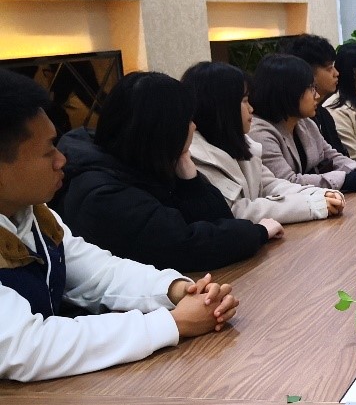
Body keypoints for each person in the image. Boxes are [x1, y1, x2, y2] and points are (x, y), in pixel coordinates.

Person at [0, 70, 239, 382]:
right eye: (47, 152)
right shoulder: (98, 192)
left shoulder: (33, 213)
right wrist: (172, 323)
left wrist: (176, 290)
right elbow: (25, 346)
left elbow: (98, 273)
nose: (61, 160)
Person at [55, 71, 281, 272]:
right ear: (164, 129)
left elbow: (220, 220)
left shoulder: (142, 162)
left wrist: (190, 177)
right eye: (187, 120)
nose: (194, 127)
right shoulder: (102, 192)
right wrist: (258, 232)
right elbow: (186, 246)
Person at [183, 61, 346, 224]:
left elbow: (270, 185)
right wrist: (311, 205)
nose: (251, 108)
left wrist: (317, 194)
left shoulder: (241, 141)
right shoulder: (196, 156)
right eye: (244, 100)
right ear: (223, 106)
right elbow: (236, 210)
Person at [248, 54, 356, 193]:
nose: (317, 95)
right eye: (311, 88)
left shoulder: (304, 122)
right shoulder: (260, 133)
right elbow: (287, 182)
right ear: (290, 91)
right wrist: (346, 180)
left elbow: (331, 155)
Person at [282, 33, 350, 156]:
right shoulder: (292, 121)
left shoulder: (323, 115)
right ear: (306, 72)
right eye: (329, 68)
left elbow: (338, 156)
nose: (336, 73)